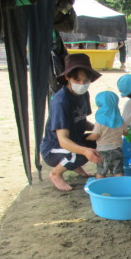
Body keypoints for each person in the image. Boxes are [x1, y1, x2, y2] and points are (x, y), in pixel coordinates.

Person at [40, 53, 102, 191]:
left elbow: (82, 120)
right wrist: (85, 150)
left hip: (73, 140)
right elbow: (63, 140)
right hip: (53, 148)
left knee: (97, 140)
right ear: (67, 77)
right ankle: (56, 173)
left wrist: (100, 129)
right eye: (77, 80)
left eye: (86, 81)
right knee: (80, 153)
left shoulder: (83, 94)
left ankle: (75, 166)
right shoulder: (61, 102)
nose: (81, 84)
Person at [85, 91, 125, 179]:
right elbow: (125, 132)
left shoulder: (100, 122)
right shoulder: (120, 120)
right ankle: (121, 184)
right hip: (117, 149)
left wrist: (86, 137)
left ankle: (100, 186)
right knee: (118, 171)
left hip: (102, 151)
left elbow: (95, 136)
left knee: (101, 172)